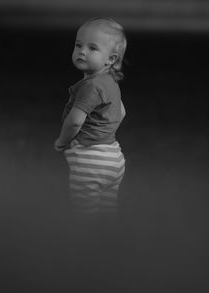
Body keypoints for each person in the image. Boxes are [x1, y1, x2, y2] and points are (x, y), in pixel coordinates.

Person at [54, 17, 127, 220]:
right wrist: (104, 133)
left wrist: (63, 140)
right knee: (106, 214)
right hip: (114, 157)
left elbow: (75, 121)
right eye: (78, 45)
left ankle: (85, 247)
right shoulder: (110, 83)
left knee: (84, 216)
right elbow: (121, 113)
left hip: (91, 160)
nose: (82, 51)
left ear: (110, 59)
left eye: (92, 48)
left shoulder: (91, 86)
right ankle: (107, 245)